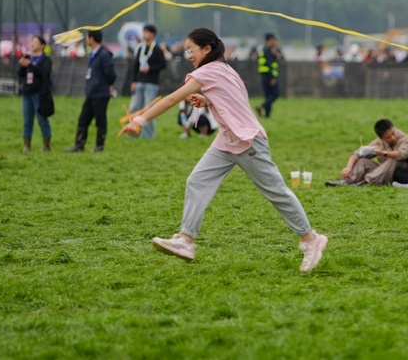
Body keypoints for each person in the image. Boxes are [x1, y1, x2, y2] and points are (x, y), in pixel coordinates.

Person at [120, 28, 327, 272]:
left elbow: (171, 99)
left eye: (191, 50)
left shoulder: (207, 71)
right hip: (227, 140)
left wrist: (140, 121)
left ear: (207, 49)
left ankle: (311, 239)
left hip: (247, 140)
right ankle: (186, 240)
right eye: (186, 50)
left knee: (276, 192)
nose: (188, 55)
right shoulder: (225, 69)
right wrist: (208, 100)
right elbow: (232, 96)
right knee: (197, 181)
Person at [65, 31, 117, 153]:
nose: (86, 40)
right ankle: (79, 145)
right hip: (91, 93)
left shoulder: (104, 54)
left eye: (88, 37)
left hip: (101, 93)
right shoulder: (93, 53)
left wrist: (103, 84)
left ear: (92, 39)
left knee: (100, 121)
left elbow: (111, 74)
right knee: (83, 119)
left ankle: (99, 146)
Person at [325, 119, 408, 187]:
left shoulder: (404, 138)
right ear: (381, 138)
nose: (393, 138)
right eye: (388, 137)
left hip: (403, 173)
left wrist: (383, 153)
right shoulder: (379, 142)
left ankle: (367, 181)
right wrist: (348, 167)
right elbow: (358, 153)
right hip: (384, 172)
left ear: (393, 128)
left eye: (393, 133)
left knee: (393, 159)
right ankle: (347, 181)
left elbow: (402, 155)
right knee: (362, 160)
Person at [127, 25, 167, 139]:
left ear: (153, 34)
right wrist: (133, 80)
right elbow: (135, 65)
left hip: (151, 82)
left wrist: (151, 68)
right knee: (134, 108)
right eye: (143, 32)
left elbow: (163, 64)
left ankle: (148, 135)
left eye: (147, 32)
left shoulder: (157, 49)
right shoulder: (140, 48)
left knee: (149, 110)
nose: (144, 35)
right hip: (139, 81)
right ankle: (132, 131)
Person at [17, 35, 52, 152]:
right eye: (32, 42)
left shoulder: (46, 60)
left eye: (36, 42)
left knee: (42, 119)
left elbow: (44, 74)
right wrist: (22, 65)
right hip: (27, 92)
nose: (33, 45)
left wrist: (30, 65)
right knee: (27, 120)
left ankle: (46, 145)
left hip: (39, 93)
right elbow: (21, 74)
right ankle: (27, 145)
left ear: (42, 46)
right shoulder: (29, 58)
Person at [256, 33, 283, 118]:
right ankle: (261, 106)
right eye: (273, 40)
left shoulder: (264, 49)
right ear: (270, 40)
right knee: (275, 94)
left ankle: (267, 115)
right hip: (270, 76)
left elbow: (281, 58)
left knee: (268, 96)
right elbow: (270, 64)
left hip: (264, 76)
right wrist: (273, 77)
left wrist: (276, 51)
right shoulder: (269, 51)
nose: (275, 41)